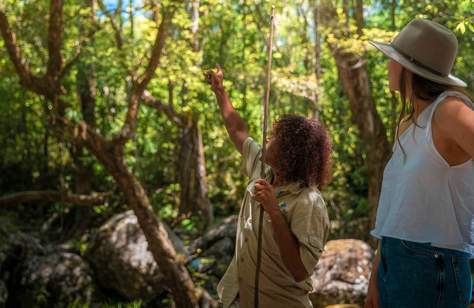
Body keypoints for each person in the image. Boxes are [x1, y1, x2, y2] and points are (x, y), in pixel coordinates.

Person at [365, 19, 474, 308]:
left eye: (393, 59)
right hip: (394, 263)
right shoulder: (408, 123)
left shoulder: (450, 110)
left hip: (432, 268)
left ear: (409, 69)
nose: (388, 65)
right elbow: (398, 208)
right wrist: (377, 273)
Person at [204, 65, 332, 308]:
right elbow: (236, 129)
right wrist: (220, 91)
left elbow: (299, 270)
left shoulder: (309, 202)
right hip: (240, 298)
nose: (266, 140)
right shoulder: (262, 170)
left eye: (274, 138)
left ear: (289, 153)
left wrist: (274, 211)